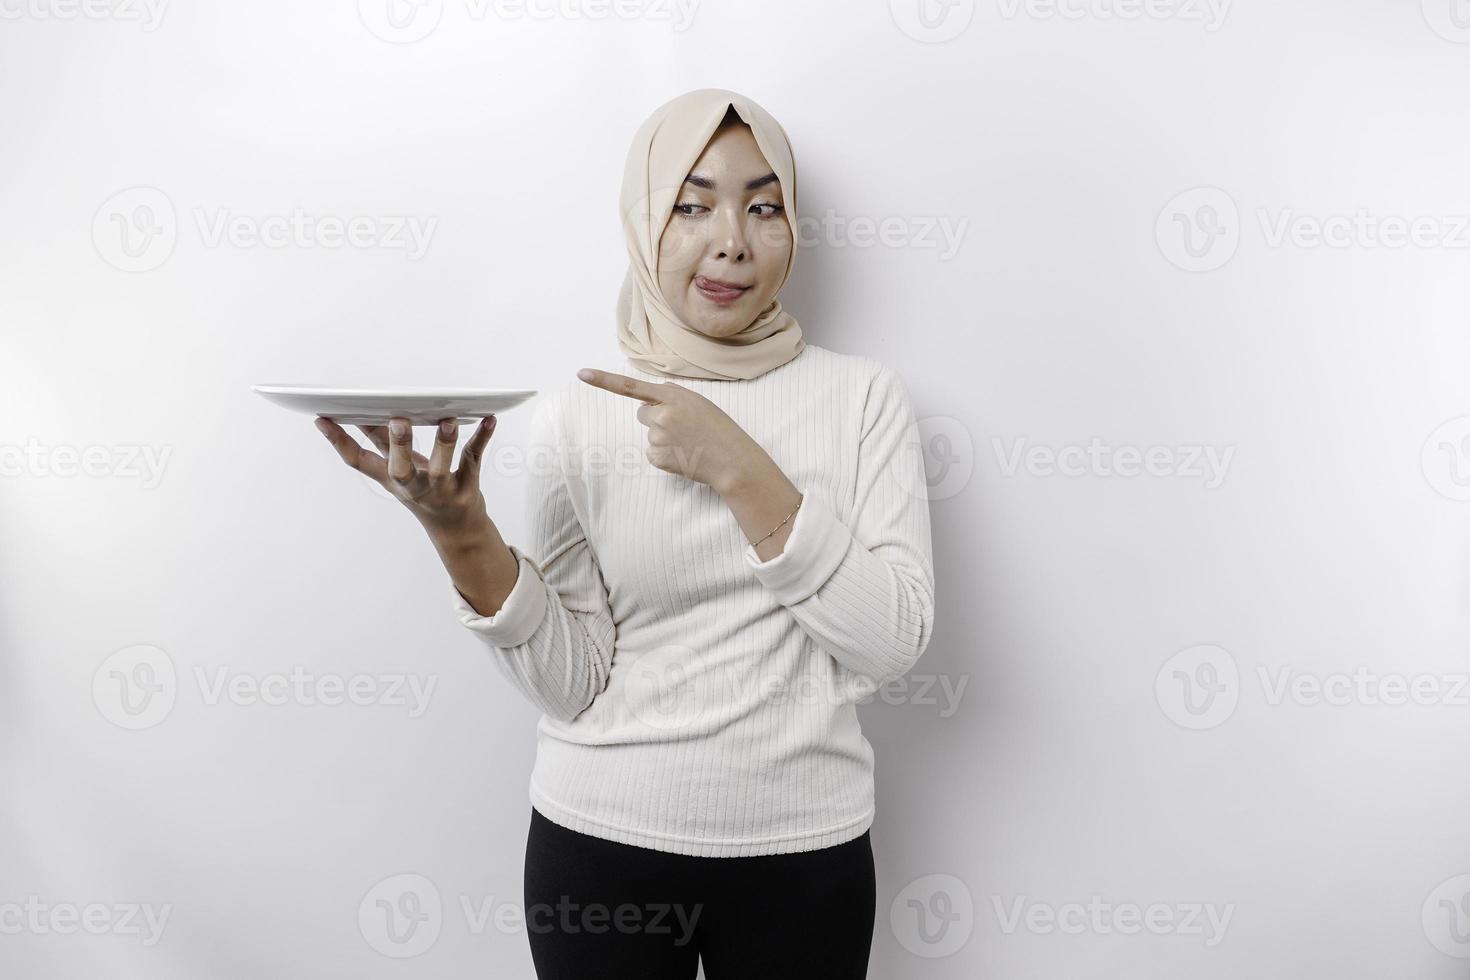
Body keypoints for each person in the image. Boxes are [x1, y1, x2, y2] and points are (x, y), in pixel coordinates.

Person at [315, 87, 936, 980]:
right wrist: (461, 534)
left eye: (764, 206)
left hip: (807, 856)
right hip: (601, 851)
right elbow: (573, 683)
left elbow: (894, 642)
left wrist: (740, 468)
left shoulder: (865, 399)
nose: (730, 239)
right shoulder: (580, 414)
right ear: (645, 220)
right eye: (691, 205)